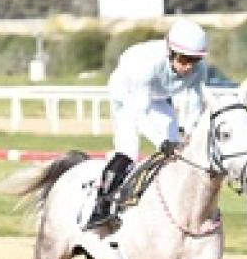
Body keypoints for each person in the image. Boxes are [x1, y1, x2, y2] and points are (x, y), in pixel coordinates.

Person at [86, 18, 211, 227]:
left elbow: (195, 106)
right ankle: (100, 207)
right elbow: (139, 114)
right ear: (170, 52)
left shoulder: (199, 70)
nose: (189, 67)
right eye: (184, 59)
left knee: (177, 150)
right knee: (129, 150)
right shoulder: (147, 65)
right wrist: (160, 141)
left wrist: (187, 133)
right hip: (127, 94)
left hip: (158, 96)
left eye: (194, 60)